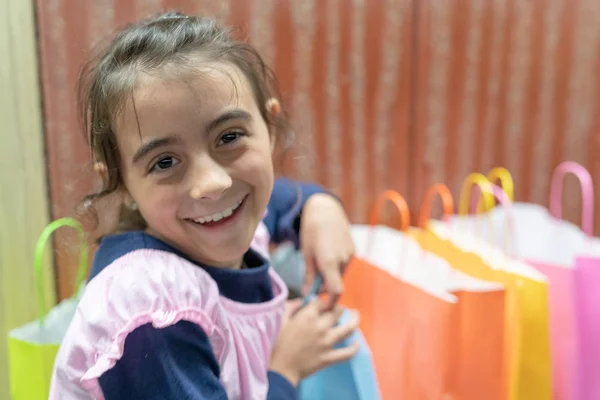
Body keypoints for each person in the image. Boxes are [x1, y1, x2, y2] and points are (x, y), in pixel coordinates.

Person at [49, 12, 359, 400]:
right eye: (164, 162)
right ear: (122, 182)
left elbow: (277, 202)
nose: (212, 184)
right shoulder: (151, 310)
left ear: (269, 126)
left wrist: (320, 206)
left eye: (229, 137)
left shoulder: (228, 219)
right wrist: (286, 369)